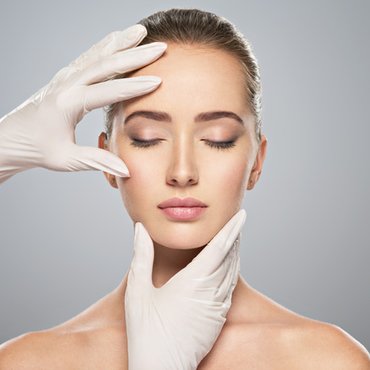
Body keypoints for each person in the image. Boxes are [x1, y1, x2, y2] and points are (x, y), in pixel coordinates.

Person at [0, 8, 369, 370]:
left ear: (257, 162)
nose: (182, 172)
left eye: (218, 139)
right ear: (105, 157)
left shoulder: (328, 360)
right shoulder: (27, 362)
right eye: (148, 138)